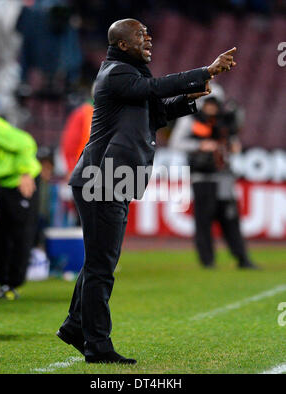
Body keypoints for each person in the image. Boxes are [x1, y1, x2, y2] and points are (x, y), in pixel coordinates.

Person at [57, 18, 237, 364]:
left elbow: (155, 113)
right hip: (102, 177)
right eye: (141, 35)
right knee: (101, 266)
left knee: (100, 261)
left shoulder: (131, 77)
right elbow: (153, 91)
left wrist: (189, 98)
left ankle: (75, 326)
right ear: (122, 44)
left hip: (112, 177)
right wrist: (206, 70)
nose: (149, 38)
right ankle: (97, 344)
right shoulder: (117, 73)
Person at [169, 96, 258, 269]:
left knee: (230, 217)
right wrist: (200, 145)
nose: (212, 108)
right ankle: (207, 260)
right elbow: (176, 143)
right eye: (209, 104)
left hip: (223, 177)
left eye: (215, 104)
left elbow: (233, 145)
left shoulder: (224, 123)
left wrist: (233, 146)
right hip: (203, 177)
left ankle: (242, 257)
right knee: (204, 219)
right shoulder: (191, 120)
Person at [0, 114, 41, 300]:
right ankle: (4, 283)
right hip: (3, 184)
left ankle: (13, 284)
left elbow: (25, 142)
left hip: (21, 183)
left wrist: (25, 173)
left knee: (20, 234)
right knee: (1, 235)